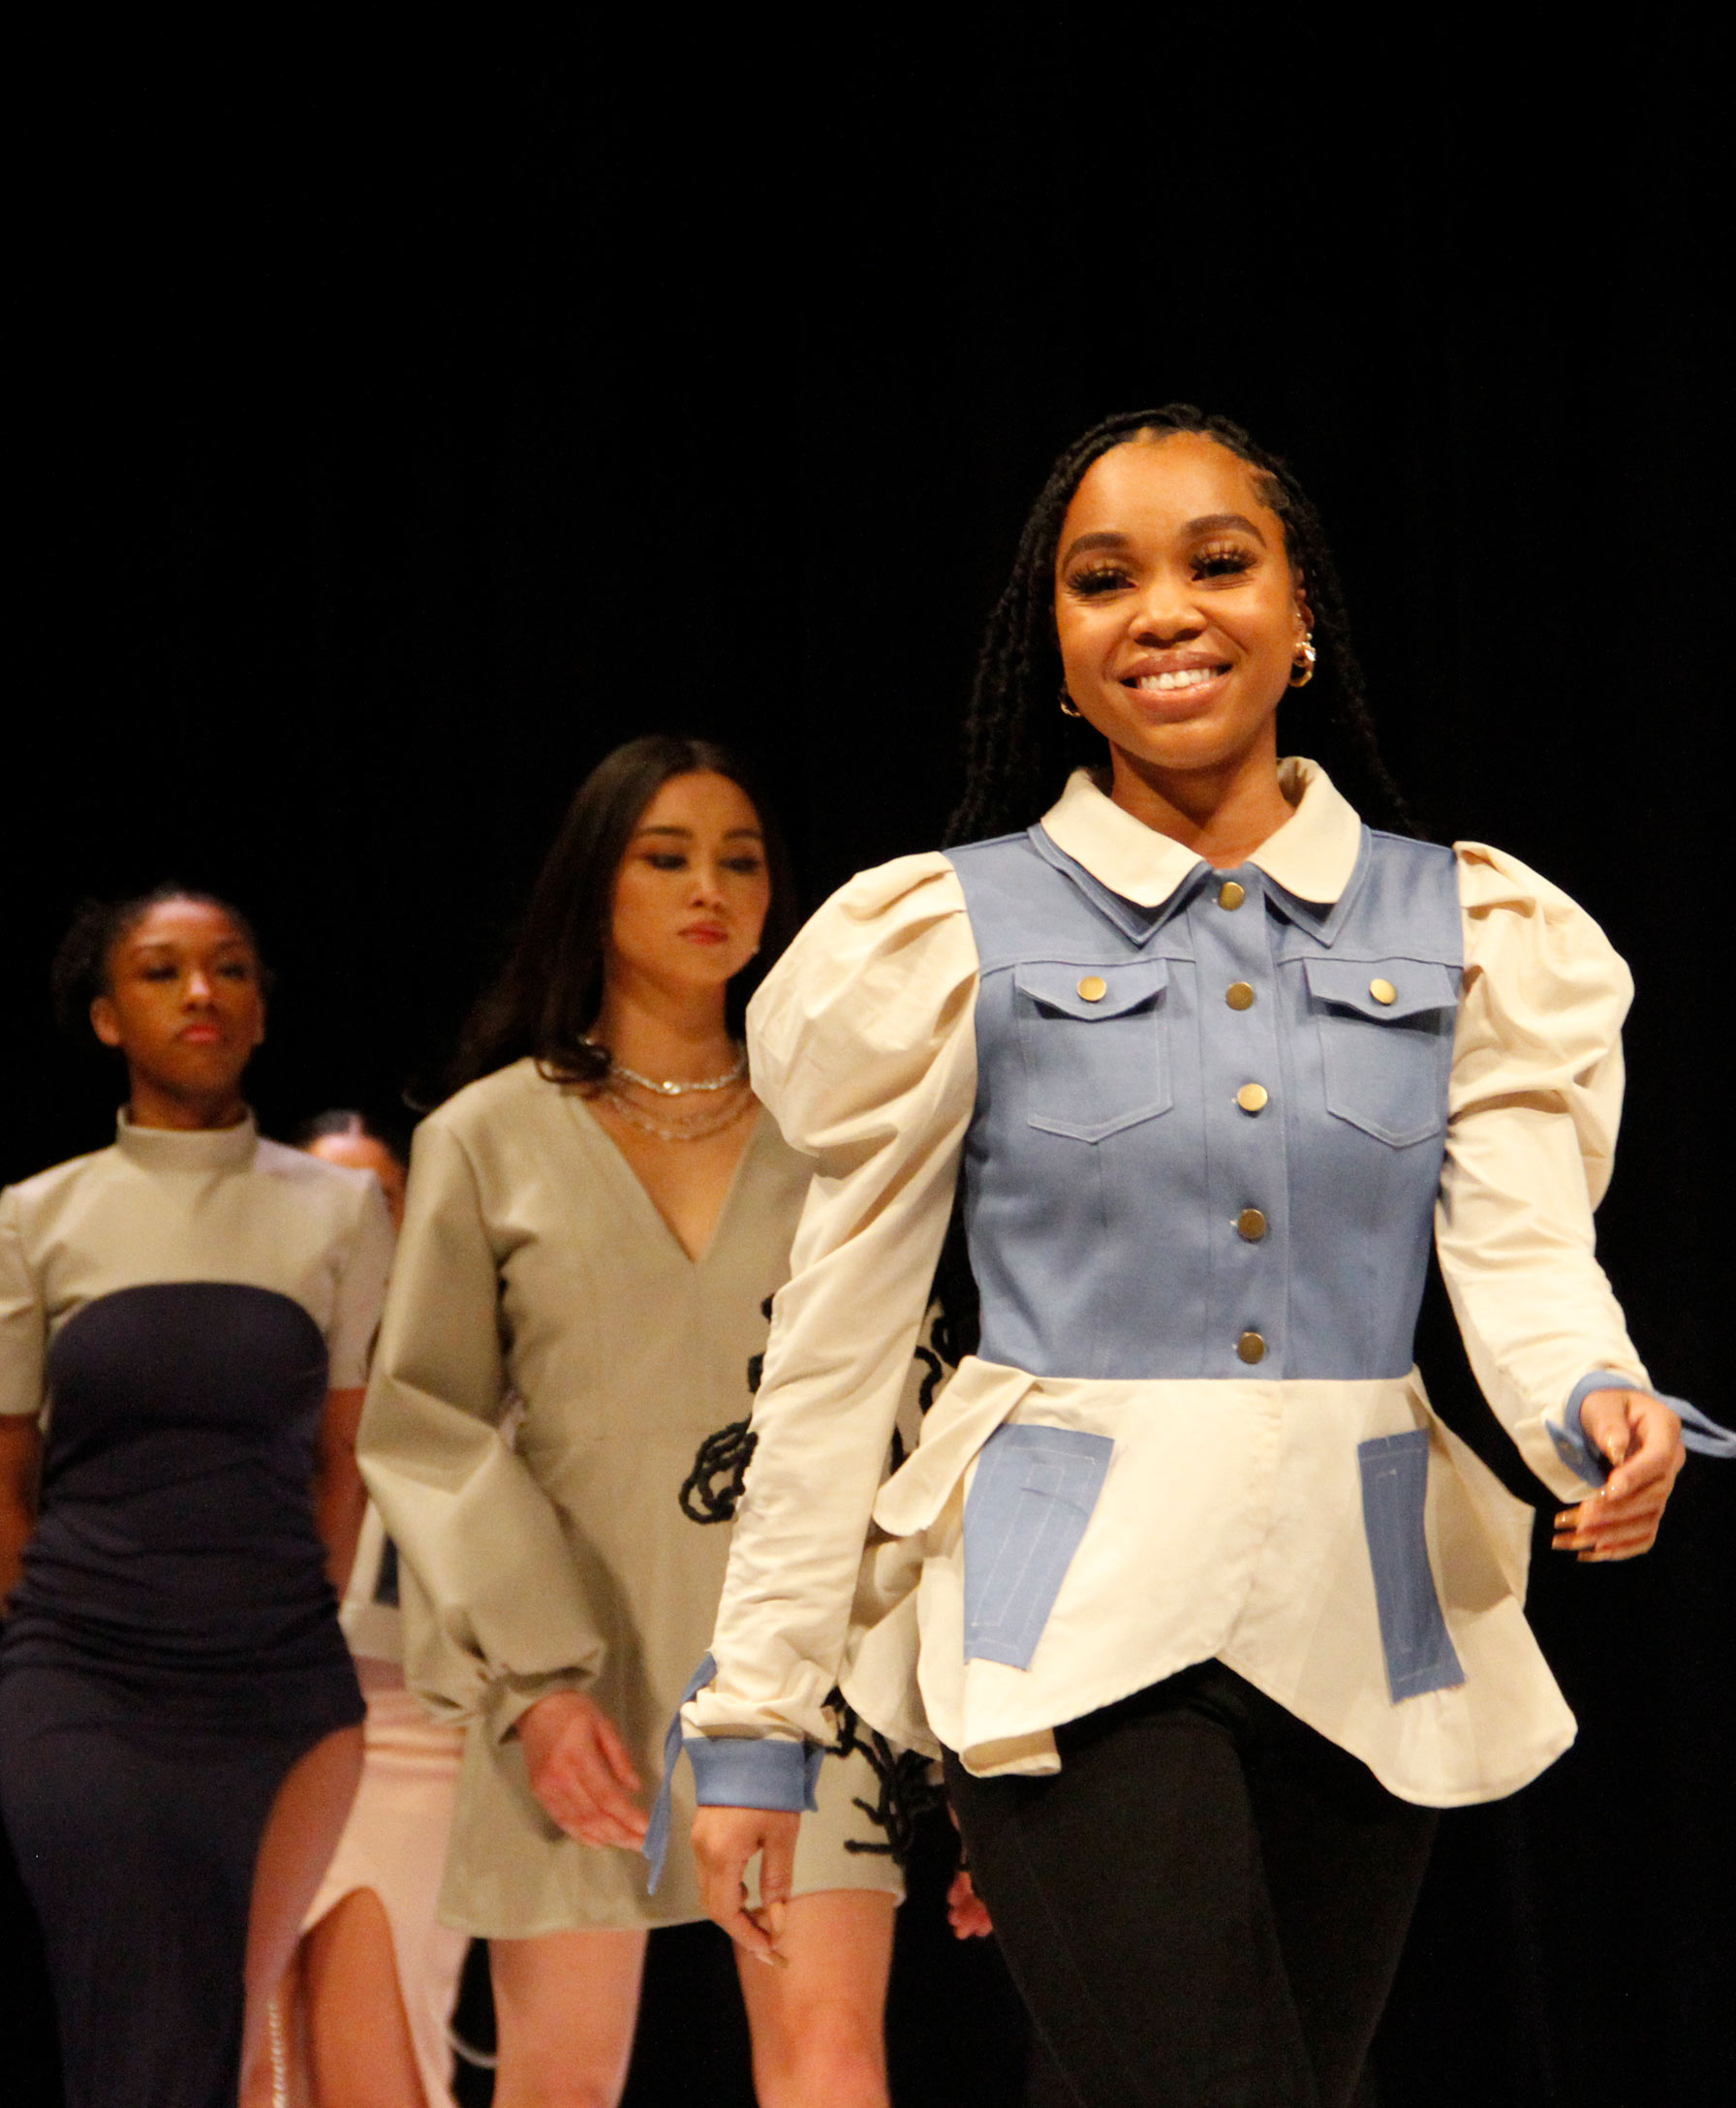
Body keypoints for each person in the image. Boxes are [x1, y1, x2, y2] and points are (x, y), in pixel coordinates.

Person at [682, 408, 1732, 2108]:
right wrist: (760, 1707)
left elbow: (1526, 1255)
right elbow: (837, 1344)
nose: (1163, 608)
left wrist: (1593, 1405)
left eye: (1216, 562)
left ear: (1300, 616)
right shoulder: (945, 934)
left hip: (1360, 1603)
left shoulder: (1471, 924)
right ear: (1064, 657)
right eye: (1106, 581)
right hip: (1068, 1626)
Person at [356, 736, 903, 2108]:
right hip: (574, 1662)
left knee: (830, 2052)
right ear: (593, 885)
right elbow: (427, 1420)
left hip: (807, 1651)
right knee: (560, 2077)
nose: (708, 886)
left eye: (741, 857)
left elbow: (911, 1410)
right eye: (666, 855)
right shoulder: (489, 1134)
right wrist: (536, 1685)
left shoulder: (839, 1134)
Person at [0, 887, 394, 2107]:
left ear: (262, 1008)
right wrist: (47, 1632)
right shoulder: (38, 1215)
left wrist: (292, 1612)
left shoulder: (340, 1210)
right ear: (109, 1018)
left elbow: (348, 1457)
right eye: (164, 973)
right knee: (126, 2014)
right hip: (87, 1674)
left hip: (275, 1676)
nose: (201, 993)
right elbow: (4, 1466)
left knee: (218, 2025)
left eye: (227, 969)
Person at [257, 1112, 469, 2108]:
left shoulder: (464, 1371)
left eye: (375, 1197)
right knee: (252, 2058)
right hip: (246, 1730)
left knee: (370, 2053)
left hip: (411, 1735)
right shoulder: (233, 1373)